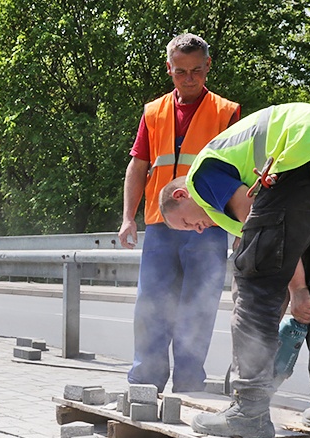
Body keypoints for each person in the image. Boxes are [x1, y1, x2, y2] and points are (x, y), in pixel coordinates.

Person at [159, 102, 310, 438]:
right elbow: (283, 244)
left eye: (185, 222)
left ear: (181, 195)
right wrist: (300, 290)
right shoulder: (236, 175)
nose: (195, 228)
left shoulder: (202, 176)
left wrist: (293, 292)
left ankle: (249, 410)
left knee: (253, 279)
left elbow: (261, 230)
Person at [119, 33, 240, 393]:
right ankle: (145, 382)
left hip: (208, 226)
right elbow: (138, 166)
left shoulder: (226, 112)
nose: (189, 78)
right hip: (160, 225)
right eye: (181, 71)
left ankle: (188, 387)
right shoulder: (153, 112)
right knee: (151, 305)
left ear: (208, 67)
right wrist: (129, 216)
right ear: (169, 69)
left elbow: (238, 173)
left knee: (197, 308)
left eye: (197, 71)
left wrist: (236, 226)